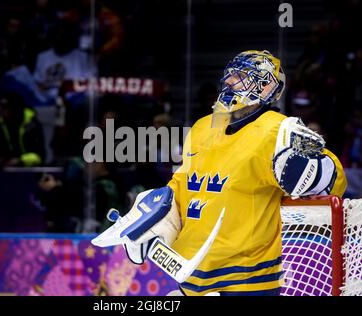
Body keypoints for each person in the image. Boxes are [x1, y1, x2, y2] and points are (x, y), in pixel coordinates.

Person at [92, 50, 347, 296]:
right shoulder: (204, 126)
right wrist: (156, 220)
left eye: (241, 77)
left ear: (266, 86)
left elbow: (333, 179)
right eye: (230, 75)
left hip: (245, 279)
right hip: (191, 272)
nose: (229, 82)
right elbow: (180, 186)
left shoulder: (278, 130)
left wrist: (313, 171)